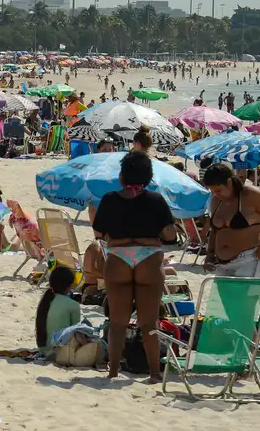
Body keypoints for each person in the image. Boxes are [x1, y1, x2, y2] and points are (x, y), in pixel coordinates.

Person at [92, 151, 176, 382]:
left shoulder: (109, 199)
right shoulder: (156, 200)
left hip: (119, 255)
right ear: (148, 178)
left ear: (122, 177)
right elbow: (170, 235)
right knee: (149, 322)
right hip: (148, 256)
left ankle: (112, 371)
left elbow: (99, 232)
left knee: (118, 322)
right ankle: (154, 373)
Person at [202, 163, 260, 287]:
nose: (216, 194)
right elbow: (215, 230)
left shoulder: (250, 195)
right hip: (222, 265)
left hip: (250, 260)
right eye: (213, 191)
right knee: (227, 306)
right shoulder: (217, 200)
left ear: (229, 182)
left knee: (245, 306)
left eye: (218, 190)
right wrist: (210, 254)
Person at [36, 265, 100, 367]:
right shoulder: (72, 305)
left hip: (44, 349)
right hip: (60, 352)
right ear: (68, 287)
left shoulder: (45, 301)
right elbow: (74, 330)